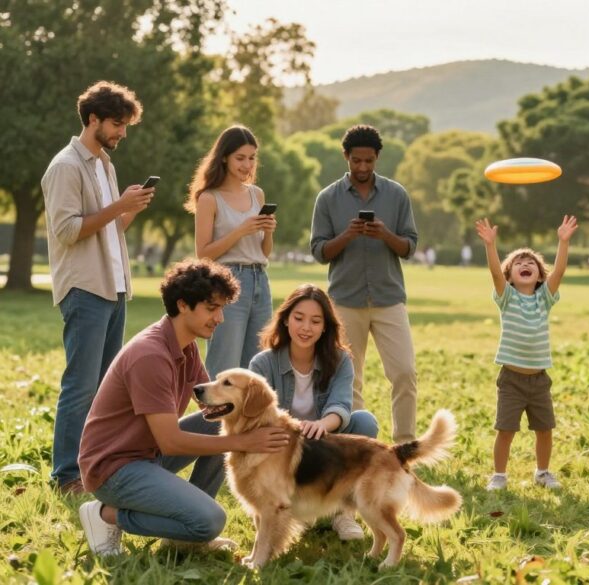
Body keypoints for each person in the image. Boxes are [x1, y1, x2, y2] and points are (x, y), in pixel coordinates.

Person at [76, 259, 291, 557]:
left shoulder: (185, 345)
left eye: (221, 308)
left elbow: (212, 403)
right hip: (116, 467)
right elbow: (171, 441)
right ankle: (104, 515)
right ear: (183, 305)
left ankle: (187, 527)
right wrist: (241, 441)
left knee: (224, 420)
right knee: (210, 520)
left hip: (147, 453)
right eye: (211, 308)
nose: (220, 318)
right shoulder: (150, 355)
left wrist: (276, 423)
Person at [42, 81, 154, 495]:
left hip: (114, 287)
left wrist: (129, 210)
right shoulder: (65, 167)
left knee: (107, 387)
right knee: (81, 385)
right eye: (117, 124)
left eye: (125, 125)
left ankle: (96, 467)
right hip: (85, 290)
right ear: (93, 119)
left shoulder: (104, 164)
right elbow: (69, 231)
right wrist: (118, 206)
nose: (122, 132)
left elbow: (109, 231)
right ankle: (66, 476)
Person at [310, 125, 420, 443]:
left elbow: (410, 247)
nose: (362, 167)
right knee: (349, 378)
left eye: (369, 161)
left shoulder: (397, 195)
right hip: (345, 300)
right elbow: (319, 251)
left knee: (404, 372)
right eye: (356, 160)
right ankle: (359, 445)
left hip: (388, 299)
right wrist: (348, 235)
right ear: (346, 156)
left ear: (377, 158)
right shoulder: (327, 198)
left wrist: (385, 235)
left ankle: (405, 444)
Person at [248, 283, 380, 541]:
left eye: (315, 321)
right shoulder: (262, 363)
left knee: (364, 422)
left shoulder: (340, 360)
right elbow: (258, 417)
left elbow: (342, 405)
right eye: (298, 318)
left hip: (325, 439)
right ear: (285, 320)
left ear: (325, 327)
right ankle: (290, 510)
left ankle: (343, 514)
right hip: (282, 447)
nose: (306, 328)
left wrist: (322, 425)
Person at [475, 215, 578, 491]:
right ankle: (499, 475)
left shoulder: (544, 298)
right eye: (518, 263)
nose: (524, 264)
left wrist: (563, 242)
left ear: (539, 275)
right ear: (510, 276)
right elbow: (495, 273)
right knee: (505, 430)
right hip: (511, 379)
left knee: (545, 429)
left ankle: (543, 472)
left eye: (530, 262)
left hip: (539, 380)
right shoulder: (506, 297)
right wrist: (490, 245)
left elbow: (559, 272)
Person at [186, 125, 276, 378]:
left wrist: (268, 230)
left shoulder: (257, 194)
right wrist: (241, 230)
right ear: (224, 157)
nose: (247, 165)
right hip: (226, 284)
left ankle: (249, 419)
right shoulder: (209, 198)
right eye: (240, 158)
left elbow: (264, 252)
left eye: (252, 158)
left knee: (257, 367)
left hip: (261, 282)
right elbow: (203, 254)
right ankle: (214, 419)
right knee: (224, 367)